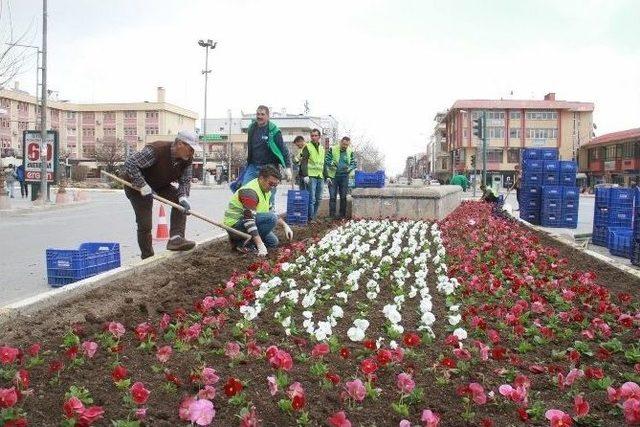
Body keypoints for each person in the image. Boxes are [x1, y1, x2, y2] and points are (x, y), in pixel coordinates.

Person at [123, 130, 200, 259]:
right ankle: (147, 256)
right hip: (136, 185)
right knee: (145, 223)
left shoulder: (187, 159)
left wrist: (183, 198)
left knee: (179, 202)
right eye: (190, 149)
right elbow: (130, 163)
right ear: (180, 144)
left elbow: (185, 180)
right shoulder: (156, 150)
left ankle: (176, 239)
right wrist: (143, 185)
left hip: (159, 183)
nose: (192, 152)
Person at [223, 165, 293, 256]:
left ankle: (248, 242)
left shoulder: (266, 191)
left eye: (275, 185)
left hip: (248, 222)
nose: (272, 187)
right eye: (271, 184)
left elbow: (271, 211)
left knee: (273, 242)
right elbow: (248, 220)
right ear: (261, 178)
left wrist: (285, 226)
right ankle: (242, 242)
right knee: (271, 219)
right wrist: (260, 244)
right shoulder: (250, 191)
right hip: (235, 227)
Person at [242, 105, 292, 206]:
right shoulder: (252, 128)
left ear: (268, 116)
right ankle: (248, 215)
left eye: (262, 114)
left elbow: (283, 149)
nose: (259, 117)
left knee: (269, 194)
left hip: (269, 167)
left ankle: (269, 214)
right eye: (258, 114)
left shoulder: (274, 131)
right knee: (245, 190)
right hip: (253, 165)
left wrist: (287, 167)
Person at [326, 136, 356, 218]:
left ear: (349, 144)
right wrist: (332, 163)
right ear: (340, 142)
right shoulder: (333, 149)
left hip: (344, 177)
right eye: (343, 144)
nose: (345, 146)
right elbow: (327, 160)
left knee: (343, 196)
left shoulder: (350, 151)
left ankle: (342, 215)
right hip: (333, 176)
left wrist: (349, 168)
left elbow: (353, 163)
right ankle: (332, 215)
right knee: (332, 196)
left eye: (347, 145)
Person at [299, 128, 326, 220]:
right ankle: (311, 218)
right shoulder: (307, 147)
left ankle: (314, 216)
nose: (313, 137)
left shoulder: (322, 148)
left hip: (320, 176)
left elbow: (323, 163)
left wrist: (327, 176)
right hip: (311, 176)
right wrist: (305, 175)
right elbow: (304, 162)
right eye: (312, 136)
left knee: (319, 198)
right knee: (312, 199)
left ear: (319, 137)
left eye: (315, 135)